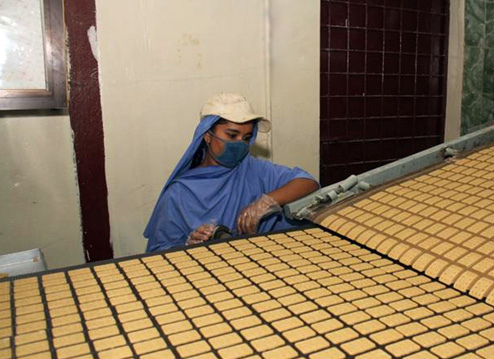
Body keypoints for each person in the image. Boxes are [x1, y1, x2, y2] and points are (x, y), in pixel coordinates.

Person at [145, 92, 319, 252]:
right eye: (232, 135)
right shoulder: (179, 193)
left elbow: (307, 182)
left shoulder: (254, 170)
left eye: (246, 138)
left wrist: (265, 203)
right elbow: (159, 252)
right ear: (207, 135)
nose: (239, 144)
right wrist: (188, 246)